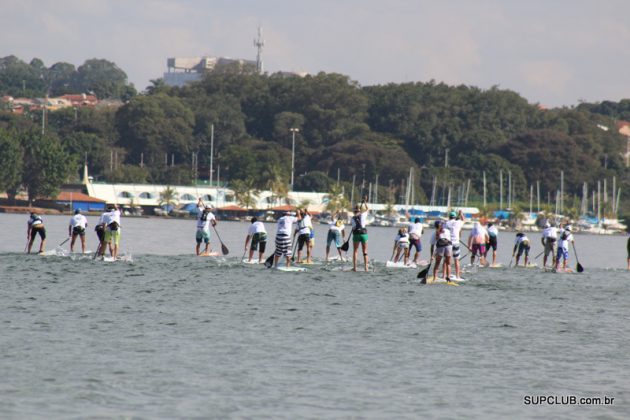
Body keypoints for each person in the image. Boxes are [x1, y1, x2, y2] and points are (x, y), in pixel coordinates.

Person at [445, 210, 464, 279]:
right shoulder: (458, 223)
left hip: (448, 243)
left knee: (447, 261)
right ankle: (458, 276)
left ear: (449, 217)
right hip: (456, 243)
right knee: (456, 260)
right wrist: (461, 213)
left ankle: (445, 276)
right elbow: (463, 219)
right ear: (455, 217)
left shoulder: (446, 223)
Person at [351, 198, 370, 272]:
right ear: (359, 211)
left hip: (356, 234)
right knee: (365, 251)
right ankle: (366, 268)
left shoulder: (352, 218)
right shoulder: (363, 215)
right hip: (364, 234)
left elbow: (353, 228)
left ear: (354, 211)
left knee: (355, 251)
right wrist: (365, 202)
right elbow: (368, 209)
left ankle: (355, 268)